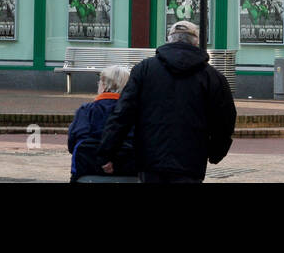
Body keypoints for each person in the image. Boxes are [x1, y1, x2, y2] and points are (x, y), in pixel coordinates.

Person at [93, 20, 236, 183]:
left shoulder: (144, 69)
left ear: (169, 39)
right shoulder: (213, 77)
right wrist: (216, 153)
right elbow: (225, 121)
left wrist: (106, 153)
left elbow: (123, 114)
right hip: (191, 162)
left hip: (150, 159)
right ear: (196, 42)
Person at [68, 65, 135, 181]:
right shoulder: (135, 112)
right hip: (128, 172)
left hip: (86, 172)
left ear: (103, 85)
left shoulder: (86, 111)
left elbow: (71, 144)